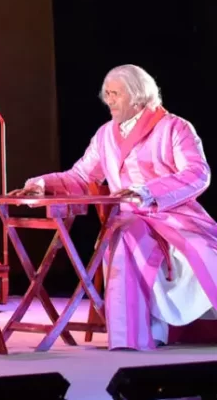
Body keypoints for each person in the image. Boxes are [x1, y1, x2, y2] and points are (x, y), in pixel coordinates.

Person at [12, 64, 217, 350]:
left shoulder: (175, 127)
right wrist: (43, 184)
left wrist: (148, 192)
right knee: (124, 235)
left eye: (115, 94)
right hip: (130, 217)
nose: (108, 100)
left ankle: (191, 325)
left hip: (173, 213)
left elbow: (197, 173)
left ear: (137, 96)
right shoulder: (105, 135)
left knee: (203, 252)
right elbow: (82, 176)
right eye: (106, 93)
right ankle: (138, 333)